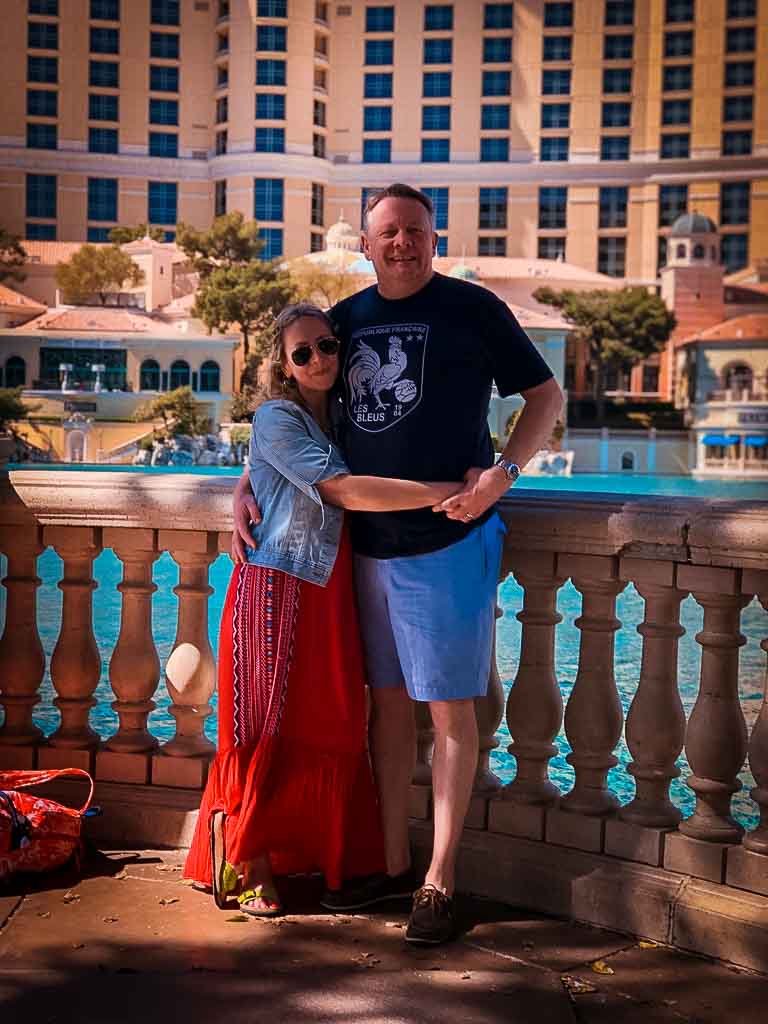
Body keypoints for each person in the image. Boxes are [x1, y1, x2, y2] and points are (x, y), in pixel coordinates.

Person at [232, 184, 564, 942]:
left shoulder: (474, 308)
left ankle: (439, 883)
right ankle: (388, 864)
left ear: (433, 238)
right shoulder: (344, 321)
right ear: (368, 243)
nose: (402, 244)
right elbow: (296, 410)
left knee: (450, 713)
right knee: (384, 711)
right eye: (388, 233)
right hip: (361, 554)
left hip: (448, 544)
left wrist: (502, 476)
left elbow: (544, 397)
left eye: (415, 231)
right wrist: (244, 482)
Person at [183, 301, 463, 916]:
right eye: (302, 352)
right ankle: (250, 865)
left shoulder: (344, 417)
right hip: (275, 591)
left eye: (327, 346)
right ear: (283, 366)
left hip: (330, 591)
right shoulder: (278, 417)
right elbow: (340, 489)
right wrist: (445, 494)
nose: (319, 359)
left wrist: (243, 482)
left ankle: (322, 856)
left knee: (331, 726)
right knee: (264, 727)